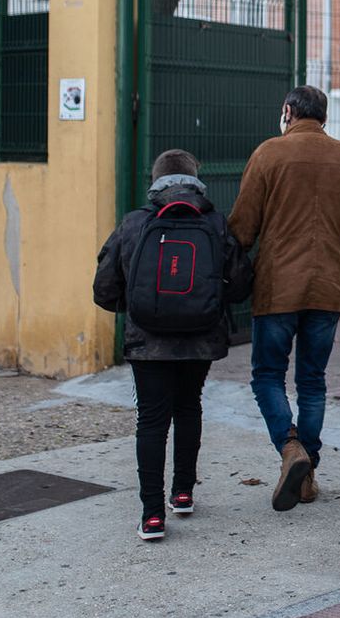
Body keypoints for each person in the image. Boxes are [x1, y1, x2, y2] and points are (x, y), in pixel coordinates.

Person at [230, 85, 340, 513]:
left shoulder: (268, 154)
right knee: (312, 381)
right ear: (323, 116)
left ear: (288, 112)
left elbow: (243, 227)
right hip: (326, 286)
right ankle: (308, 473)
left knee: (267, 374)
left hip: (276, 286)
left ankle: (289, 448)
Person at [93, 149, 254, 541]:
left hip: (148, 342)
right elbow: (242, 287)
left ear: (155, 181)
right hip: (200, 340)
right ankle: (182, 493)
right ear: (196, 180)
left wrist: (137, 308)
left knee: (150, 419)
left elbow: (103, 289)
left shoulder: (133, 224)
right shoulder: (216, 224)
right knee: (188, 408)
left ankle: (151, 516)